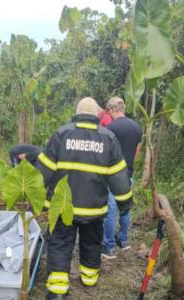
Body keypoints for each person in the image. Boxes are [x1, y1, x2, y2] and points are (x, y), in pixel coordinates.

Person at [36, 97, 133, 300]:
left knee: (60, 243)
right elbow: (118, 176)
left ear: (77, 113)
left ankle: (57, 291)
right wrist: (125, 203)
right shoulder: (108, 138)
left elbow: (42, 172)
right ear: (97, 115)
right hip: (93, 208)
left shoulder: (61, 134)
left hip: (62, 207)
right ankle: (89, 280)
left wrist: (34, 196)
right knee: (91, 242)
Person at [102, 97, 142, 259]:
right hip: (127, 174)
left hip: (112, 176)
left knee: (111, 210)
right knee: (125, 208)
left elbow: (107, 154)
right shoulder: (136, 127)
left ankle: (109, 247)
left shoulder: (111, 127)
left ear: (111, 109)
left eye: (108, 112)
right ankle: (124, 240)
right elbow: (137, 153)